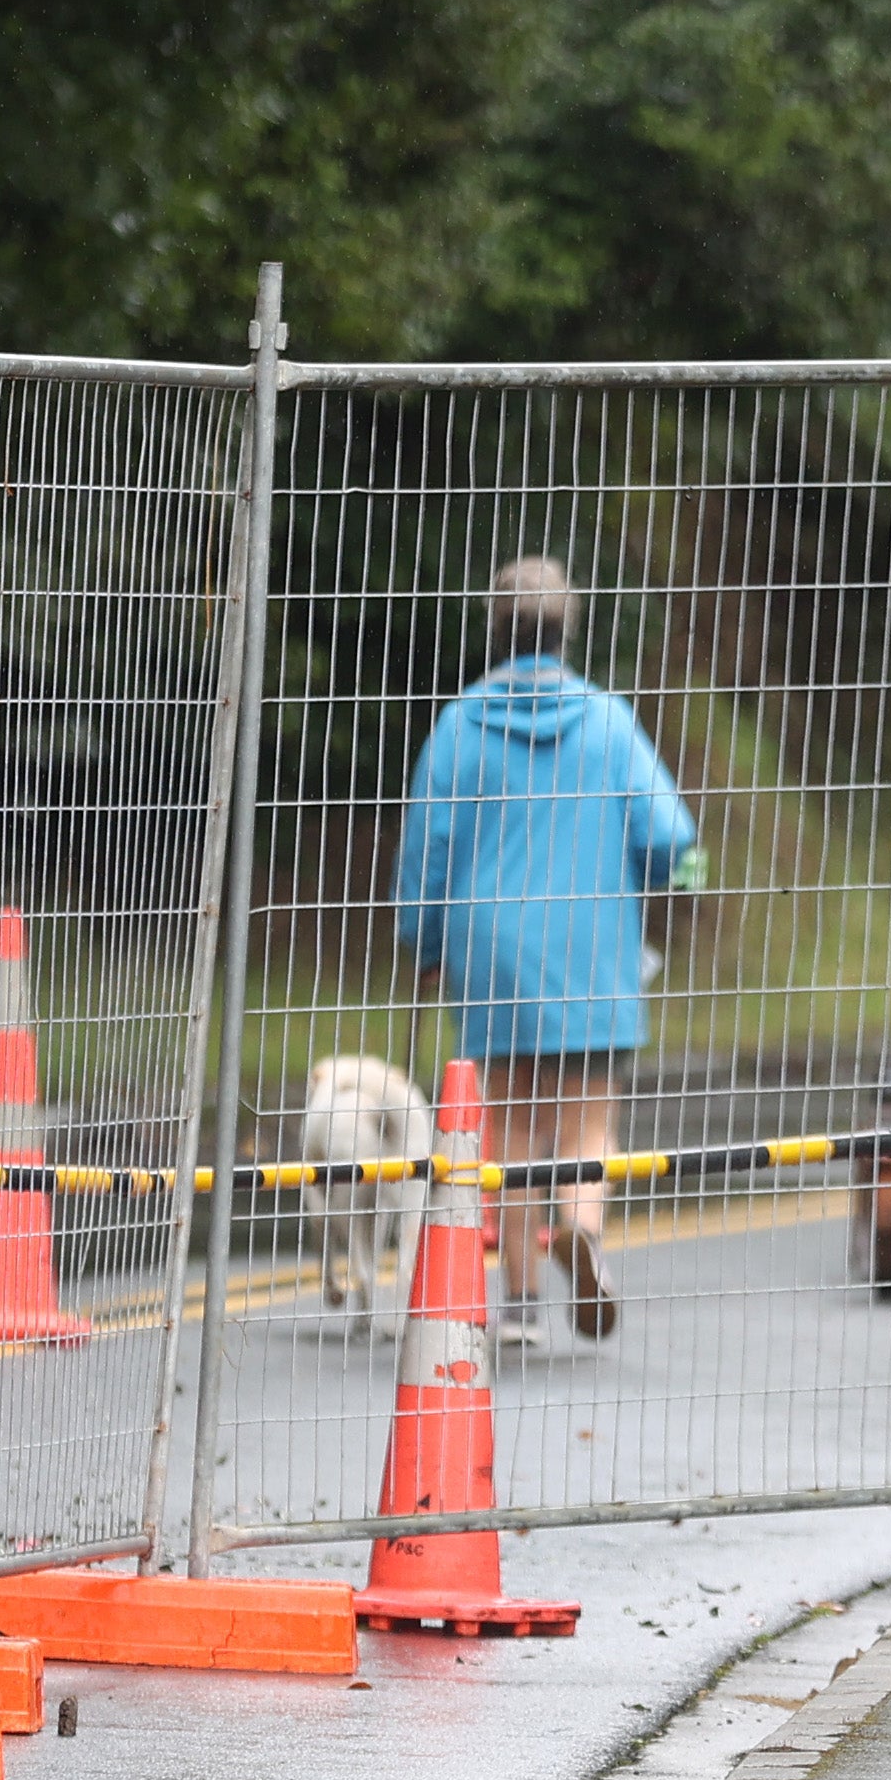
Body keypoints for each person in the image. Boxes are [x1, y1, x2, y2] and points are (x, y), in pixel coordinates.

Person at [390, 556, 698, 1340]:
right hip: (591, 937)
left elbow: (430, 845)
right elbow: (670, 835)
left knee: (511, 1129)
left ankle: (521, 1305)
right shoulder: (608, 720)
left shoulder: (460, 723)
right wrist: (674, 877)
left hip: (490, 945)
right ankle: (582, 1228)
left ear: (497, 626)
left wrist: (424, 941)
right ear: (570, 628)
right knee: (589, 1117)